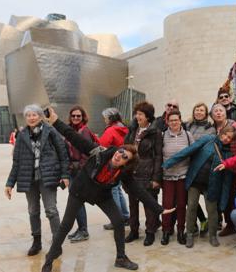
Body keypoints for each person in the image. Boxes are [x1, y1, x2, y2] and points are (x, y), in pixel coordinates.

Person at [40, 106, 175, 271]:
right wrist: (55, 121)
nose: (120, 156)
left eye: (125, 157)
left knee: (118, 222)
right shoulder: (99, 153)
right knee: (65, 226)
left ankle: (121, 258)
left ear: (127, 163)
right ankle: (48, 261)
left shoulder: (123, 172)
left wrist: (159, 209)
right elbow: (72, 136)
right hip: (80, 191)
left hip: (101, 195)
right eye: (120, 152)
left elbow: (139, 191)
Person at [4, 104, 70, 257]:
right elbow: (17, 162)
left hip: (48, 176)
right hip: (29, 179)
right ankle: (36, 241)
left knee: (51, 210)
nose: (31, 118)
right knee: (33, 211)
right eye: (28, 115)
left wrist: (65, 175)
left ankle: (56, 243)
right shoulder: (21, 135)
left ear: (40, 117)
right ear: (25, 118)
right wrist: (9, 183)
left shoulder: (51, 132)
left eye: (34, 115)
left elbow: (63, 155)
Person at [163, 124, 236, 248]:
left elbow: (226, 182)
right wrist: (169, 162)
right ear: (220, 132)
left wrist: (223, 203)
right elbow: (188, 151)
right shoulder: (208, 139)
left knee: (212, 211)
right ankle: (190, 233)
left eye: (229, 138)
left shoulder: (229, 155)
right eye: (225, 135)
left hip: (211, 185)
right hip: (195, 181)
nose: (226, 139)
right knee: (191, 206)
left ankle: (213, 235)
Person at [123, 101, 163, 246]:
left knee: (149, 206)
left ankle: (150, 232)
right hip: (131, 173)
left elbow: (159, 156)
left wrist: (156, 178)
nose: (137, 116)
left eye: (141, 114)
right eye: (137, 114)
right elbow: (124, 151)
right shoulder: (132, 131)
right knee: (132, 205)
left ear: (148, 116)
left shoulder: (155, 133)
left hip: (147, 173)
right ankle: (133, 231)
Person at [211, 102, 236, 237]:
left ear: (225, 112)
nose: (218, 113)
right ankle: (230, 225)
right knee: (224, 197)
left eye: (221, 110)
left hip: (235, 168)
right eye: (216, 111)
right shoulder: (213, 128)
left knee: (235, 198)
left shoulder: (234, 125)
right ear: (212, 115)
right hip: (221, 168)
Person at [161, 109, 194, 245]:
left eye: (176, 120)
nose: (174, 122)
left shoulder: (187, 135)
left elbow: (194, 152)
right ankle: (166, 231)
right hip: (167, 177)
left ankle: (181, 230)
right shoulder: (163, 135)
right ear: (167, 122)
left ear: (180, 120)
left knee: (181, 204)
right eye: (171, 120)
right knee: (167, 204)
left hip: (183, 175)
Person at [65, 106, 96, 243]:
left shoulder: (84, 131)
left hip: (80, 171)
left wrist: (79, 168)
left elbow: (87, 153)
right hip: (73, 170)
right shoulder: (72, 130)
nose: (76, 118)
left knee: (76, 201)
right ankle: (81, 228)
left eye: (78, 116)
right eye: (73, 116)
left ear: (83, 117)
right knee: (75, 201)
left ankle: (83, 230)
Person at [184, 102, 215, 237]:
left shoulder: (210, 128)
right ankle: (198, 223)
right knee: (190, 201)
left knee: (206, 203)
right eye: (197, 110)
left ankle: (206, 223)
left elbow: (202, 146)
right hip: (187, 167)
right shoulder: (188, 125)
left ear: (206, 113)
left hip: (202, 168)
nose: (199, 112)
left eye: (202, 110)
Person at [99, 108, 131, 231]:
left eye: (105, 117)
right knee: (118, 190)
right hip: (123, 162)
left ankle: (116, 219)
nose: (104, 119)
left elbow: (103, 146)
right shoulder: (124, 128)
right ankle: (125, 216)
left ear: (110, 118)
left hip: (112, 164)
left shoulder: (111, 130)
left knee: (113, 191)